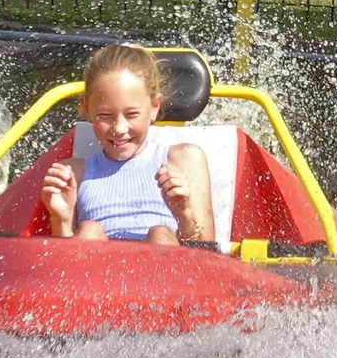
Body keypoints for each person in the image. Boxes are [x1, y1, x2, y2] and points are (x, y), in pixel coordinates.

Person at [40, 45, 214, 244]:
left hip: (162, 268)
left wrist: (184, 213)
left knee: (160, 235)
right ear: (87, 109)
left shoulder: (185, 159)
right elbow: (62, 266)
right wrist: (60, 220)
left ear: (155, 107)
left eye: (132, 114)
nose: (119, 128)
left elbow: (207, 253)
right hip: (97, 271)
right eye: (105, 116)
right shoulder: (71, 173)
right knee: (89, 230)